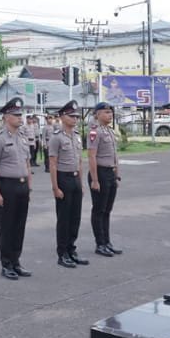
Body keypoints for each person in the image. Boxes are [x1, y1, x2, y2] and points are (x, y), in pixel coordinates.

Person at [0, 97, 33, 280]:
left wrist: (29, 187)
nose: (19, 117)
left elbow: (27, 163)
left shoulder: (22, 138)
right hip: (7, 186)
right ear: (6, 117)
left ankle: (16, 261)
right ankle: (6, 264)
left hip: (22, 186)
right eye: (15, 115)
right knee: (7, 227)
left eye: (20, 114)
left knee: (19, 226)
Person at [48, 100, 88, 268]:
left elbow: (79, 161)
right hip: (63, 178)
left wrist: (81, 182)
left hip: (75, 179)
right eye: (71, 116)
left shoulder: (77, 136)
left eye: (76, 116)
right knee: (64, 218)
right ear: (63, 117)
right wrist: (55, 187)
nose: (75, 119)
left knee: (75, 218)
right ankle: (62, 253)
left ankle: (72, 250)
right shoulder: (56, 137)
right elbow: (53, 163)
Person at [87, 102, 122, 257]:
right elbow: (92, 156)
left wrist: (117, 173)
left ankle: (107, 242)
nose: (110, 115)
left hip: (110, 173)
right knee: (99, 209)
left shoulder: (109, 131)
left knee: (107, 210)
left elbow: (114, 155)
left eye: (110, 112)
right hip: (99, 173)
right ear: (97, 114)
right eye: (106, 112)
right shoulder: (94, 132)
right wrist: (95, 180)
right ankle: (100, 243)